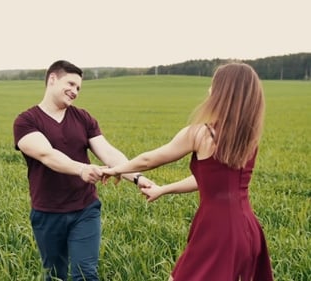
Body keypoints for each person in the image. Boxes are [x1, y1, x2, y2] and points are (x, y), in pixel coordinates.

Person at [102, 62, 274, 281]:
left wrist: (116, 168)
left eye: (214, 85)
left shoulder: (202, 134)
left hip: (217, 229)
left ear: (224, 92)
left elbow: (149, 159)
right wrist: (163, 189)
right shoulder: (247, 138)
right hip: (247, 228)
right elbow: (209, 181)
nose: (209, 90)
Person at [13, 60, 153, 281]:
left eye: (78, 88)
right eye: (71, 84)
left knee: (85, 274)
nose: (75, 91)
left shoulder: (83, 118)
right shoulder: (26, 121)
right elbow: (46, 154)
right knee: (55, 275)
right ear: (52, 79)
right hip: (47, 213)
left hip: (85, 210)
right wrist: (81, 169)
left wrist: (137, 177)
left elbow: (107, 153)